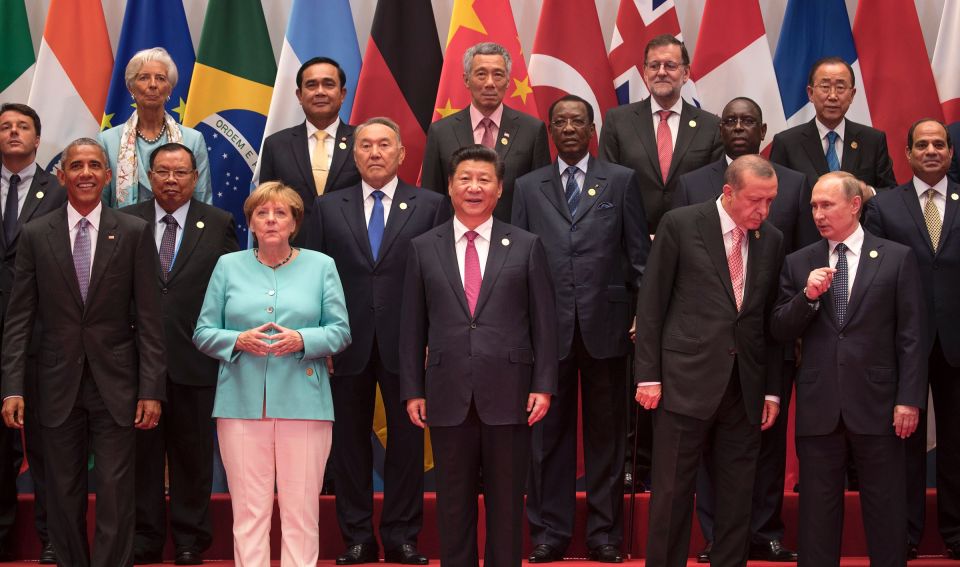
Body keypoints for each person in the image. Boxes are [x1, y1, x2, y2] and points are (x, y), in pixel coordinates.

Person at [0, 138, 166, 567]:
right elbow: (19, 317)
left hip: (118, 386)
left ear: (108, 176)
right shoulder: (37, 234)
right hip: (55, 385)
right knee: (61, 491)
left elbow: (149, 319)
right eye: (77, 166)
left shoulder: (133, 232)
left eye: (95, 165)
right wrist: (11, 387)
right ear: (62, 176)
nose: (87, 173)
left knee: (115, 492)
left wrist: (151, 389)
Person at [400, 145, 558, 567]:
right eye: (465, 178)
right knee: (453, 504)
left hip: (511, 393)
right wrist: (413, 389)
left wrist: (544, 384)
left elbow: (545, 322)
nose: (474, 187)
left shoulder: (526, 245)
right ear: (449, 186)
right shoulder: (423, 247)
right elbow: (412, 326)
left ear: (500, 189)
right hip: (446, 391)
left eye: (484, 179)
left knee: (507, 505)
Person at [674, 97, 814, 563]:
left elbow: (795, 263)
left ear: (763, 128)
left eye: (747, 120)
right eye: (729, 119)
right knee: (711, 455)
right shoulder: (694, 184)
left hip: (768, 338)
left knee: (764, 444)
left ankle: (766, 529)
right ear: (719, 129)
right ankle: (718, 533)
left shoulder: (793, 185)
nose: (738, 126)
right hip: (703, 350)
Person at [513, 95, 649, 564]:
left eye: (578, 120)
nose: (569, 127)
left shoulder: (621, 180)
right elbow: (516, 264)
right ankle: (549, 534)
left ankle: (604, 535)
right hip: (545, 332)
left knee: (607, 439)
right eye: (561, 121)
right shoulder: (528, 187)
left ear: (592, 128)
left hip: (607, 328)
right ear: (550, 130)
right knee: (546, 438)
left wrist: (642, 315)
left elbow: (639, 260)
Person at [307, 117, 446, 565]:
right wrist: (320, 340)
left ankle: (402, 536)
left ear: (402, 154)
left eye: (384, 144)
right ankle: (358, 539)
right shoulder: (328, 207)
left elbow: (440, 280)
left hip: (408, 344)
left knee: (407, 444)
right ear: (354, 152)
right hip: (344, 343)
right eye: (365, 145)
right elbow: (313, 277)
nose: (374, 153)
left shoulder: (430, 205)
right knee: (349, 445)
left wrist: (431, 339)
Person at [634, 155, 784, 567]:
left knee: (738, 496)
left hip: (745, 387)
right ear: (728, 192)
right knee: (672, 493)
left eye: (770, 201)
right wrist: (648, 375)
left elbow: (767, 322)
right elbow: (651, 305)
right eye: (756, 201)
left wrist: (771, 388)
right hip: (684, 382)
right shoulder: (681, 224)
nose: (764, 211)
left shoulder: (771, 238)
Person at [772, 171, 926, 567]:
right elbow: (779, 329)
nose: (818, 215)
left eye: (827, 205)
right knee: (817, 516)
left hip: (879, 404)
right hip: (820, 404)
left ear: (855, 205)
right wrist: (807, 297)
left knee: (886, 509)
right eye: (814, 207)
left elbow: (912, 336)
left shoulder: (896, 257)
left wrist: (909, 399)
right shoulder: (798, 261)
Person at [193, 181, 351, 567]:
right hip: (241, 404)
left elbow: (340, 331)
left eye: (281, 213)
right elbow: (203, 332)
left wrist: (301, 338)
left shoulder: (321, 265)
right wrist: (237, 340)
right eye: (262, 213)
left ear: (295, 223)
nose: (271, 220)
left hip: (306, 404)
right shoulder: (228, 266)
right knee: (249, 514)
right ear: (250, 222)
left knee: (301, 513)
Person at [120, 142, 239, 565]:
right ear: (149, 177)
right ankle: (146, 538)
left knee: (192, 457)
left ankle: (191, 539)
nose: (171, 180)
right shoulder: (126, 221)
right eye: (163, 172)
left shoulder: (219, 222)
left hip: (196, 360)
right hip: (135, 361)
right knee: (141, 458)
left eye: (181, 173)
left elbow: (231, 290)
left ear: (194, 177)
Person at [864, 119, 960, 560]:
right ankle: (904, 532)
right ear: (907, 154)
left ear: (950, 152)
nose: (931, 151)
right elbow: (877, 276)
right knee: (903, 442)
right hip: (903, 341)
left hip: (957, 341)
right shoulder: (884, 206)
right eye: (921, 144)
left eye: (939, 144)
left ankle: (956, 533)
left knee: (958, 442)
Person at [0, 102, 67, 564]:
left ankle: (51, 537)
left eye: (23, 126)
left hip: (43, 336)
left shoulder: (59, 190)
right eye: (5, 127)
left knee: (48, 445)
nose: (13, 132)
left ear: (39, 139)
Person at [598, 33, 723, 234]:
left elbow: (713, 189)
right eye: (654, 66)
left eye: (670, 66)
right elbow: (608, 184)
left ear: (686, 73)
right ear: (645, 72)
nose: (661, 72)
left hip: (692, 239)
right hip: (631, 240)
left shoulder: (711, 126)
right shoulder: (617, 121)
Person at [421, 42, 550, 220]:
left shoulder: (532, 130)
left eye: (498, 75)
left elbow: (540, 198)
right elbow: (431, 198)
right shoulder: (441, 131)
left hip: (515, 241)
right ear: (466, 80)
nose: (490, 83)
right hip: (456, 240)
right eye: (481, 74)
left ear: (507, 81)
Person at [259, 56, 361, 248]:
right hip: (293, 251)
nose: (320, 92)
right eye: (312, 85)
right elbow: (266, 205)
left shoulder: (362, 141)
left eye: (329, 84)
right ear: (299, 95)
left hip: (352, 252)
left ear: (343, 94)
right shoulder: (276, 144)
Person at [98, 47, 212, 207]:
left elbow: (202, 200)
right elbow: (101, 204)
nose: (152, 85)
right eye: (144, 78)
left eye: (160, 78)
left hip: (178, 229)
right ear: (131, 88)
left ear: (170, 88)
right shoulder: (108, 141)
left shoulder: (193, 139)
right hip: (125, 230)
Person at [769, 57, 896, 193]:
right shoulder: (786, 143)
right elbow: (776, 196)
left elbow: (891, 193)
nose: (833, 96)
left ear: (852, 95)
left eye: (840, 87)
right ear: (810, 93)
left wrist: (869, 192)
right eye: (825, 87)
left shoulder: (873, 140)